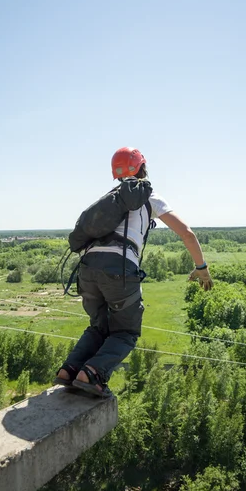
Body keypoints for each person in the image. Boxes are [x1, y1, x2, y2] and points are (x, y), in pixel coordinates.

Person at [55, 147, 213, 397]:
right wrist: (201, 268)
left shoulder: (109, 199)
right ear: (141, 168)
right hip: (119, 270)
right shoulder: (149, 197)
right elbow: (187, 233)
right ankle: (93, 373)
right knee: (126, 332)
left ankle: (70, 370)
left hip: (87, 269)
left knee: (99, 327)